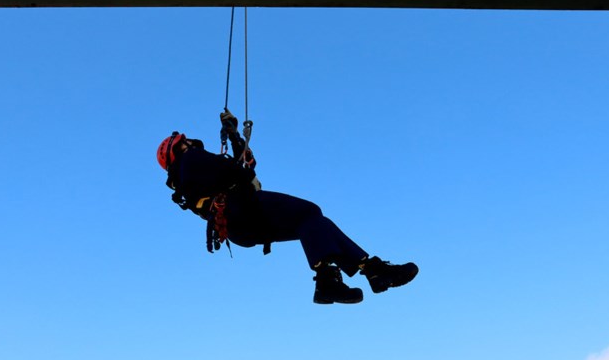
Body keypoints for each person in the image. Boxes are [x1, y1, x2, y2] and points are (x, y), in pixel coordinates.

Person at [157, 111, 418, 304]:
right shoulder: (190, 161)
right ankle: (337, 278)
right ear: (177, 149)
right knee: (309, 213)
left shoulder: (187, 180)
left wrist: (236, 136)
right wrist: (236, 144)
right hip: (243, 208)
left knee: (315, 225)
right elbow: (237, 170)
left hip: (241, 226)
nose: (189, 143)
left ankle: (369, 271)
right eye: (184, 142)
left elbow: (237, 168)